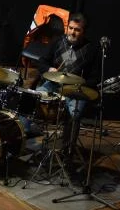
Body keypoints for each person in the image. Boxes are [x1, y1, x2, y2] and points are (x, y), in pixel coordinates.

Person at [35, 12, 99, 156]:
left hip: (76, 90)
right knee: (33, 98)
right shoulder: (57, 41)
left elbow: (95, 78)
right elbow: (42, 62)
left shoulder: (91, 50)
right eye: (70, 28)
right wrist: (48, 69)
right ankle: (23, 136)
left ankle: (67, 150)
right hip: (53, 84)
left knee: (74, 114)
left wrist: (80, 84)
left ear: (84, 31)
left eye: (77, 30)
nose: (72, 32)